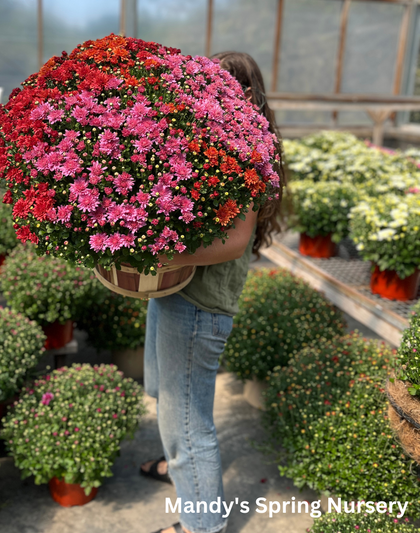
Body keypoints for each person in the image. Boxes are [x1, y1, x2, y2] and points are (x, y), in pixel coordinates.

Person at [140, 51, 286, 533]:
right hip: (175, 291)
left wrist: (172, 256)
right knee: (164, 394)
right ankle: (175, 467)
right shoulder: (209, 140)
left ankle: (201, 525)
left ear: (241, 94)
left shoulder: (246, 150)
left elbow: (236, 240)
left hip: (199, 306)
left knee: (187, 424)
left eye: (214, 85)